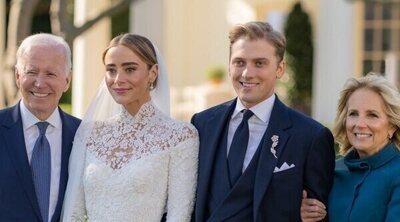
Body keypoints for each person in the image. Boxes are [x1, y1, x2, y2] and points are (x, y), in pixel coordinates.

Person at [191, 21, 336, 221]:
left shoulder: (310, 136)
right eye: (239, 62)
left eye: (259, 63)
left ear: (280, 69)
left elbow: (318, 215)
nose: (247, 73)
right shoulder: (202, 124)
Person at [61, 33, 199, 222]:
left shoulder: (181, 136)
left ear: (153, 73)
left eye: (130, 69)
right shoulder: (90, 133)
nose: (118, 79)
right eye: (111, 70)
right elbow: (74, 213)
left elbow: (179, 215)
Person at [0, 33, 81, 222]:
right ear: (18, 76)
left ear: (67, 80)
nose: (40, 83)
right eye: (31, 72)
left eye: (51, 73)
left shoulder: (84, 135)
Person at [301, 73, 400, 222]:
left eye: (372, 115)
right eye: (353, 114)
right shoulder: (332, 170)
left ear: (392, 126)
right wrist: (303, 215)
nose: (359, 124)